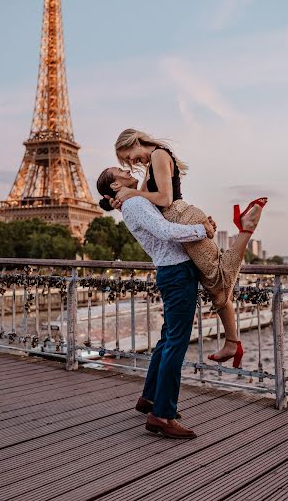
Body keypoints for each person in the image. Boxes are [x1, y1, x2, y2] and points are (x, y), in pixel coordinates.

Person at [107, 128, 267, 367]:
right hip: (180, 223)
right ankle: (233, 343)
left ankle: (246, 228)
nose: (131, 162)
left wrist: (130, 192)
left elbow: (165, 200)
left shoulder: (159, 156)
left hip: (183, 219)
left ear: (136, 141)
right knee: (214, 284)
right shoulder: (152, 163)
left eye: (128, 156)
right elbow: (145, 203)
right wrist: (124, 200)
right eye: (126, 162)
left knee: (219, 277)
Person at [97, 166, 216, 439]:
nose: (127, 169)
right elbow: (165, 231)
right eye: (120, 171)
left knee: (167, 339)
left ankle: (150, 398)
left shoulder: (134, 201)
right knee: (176, 343)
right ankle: (162, 415)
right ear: (115, 186)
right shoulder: (136, 202)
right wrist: (203, 229)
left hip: (169, 270)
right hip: (177, 271)